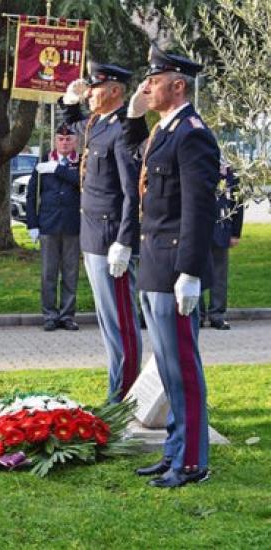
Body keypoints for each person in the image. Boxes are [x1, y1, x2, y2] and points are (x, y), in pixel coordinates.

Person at [127, 47, 217, 488]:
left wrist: (191, 272)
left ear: (177, 85)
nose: (147, 87)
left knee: (182, 366)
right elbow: (134, 169)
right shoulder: (164, 130)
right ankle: (174, 449)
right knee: (165, 367)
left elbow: (199, 209)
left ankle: (193, 460)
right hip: (154, 262)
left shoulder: (192, 134)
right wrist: (132, 116)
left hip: (174, 266)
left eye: (154, 80)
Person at [61, 63, 148, 402]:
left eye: (95, 89)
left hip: (111, 238)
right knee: (107, 321)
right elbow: (70, 125)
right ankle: (117, 388)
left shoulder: (123, 130)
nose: (89, 94)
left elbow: (133, 192)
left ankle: (123, 395)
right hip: (92, 235)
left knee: (121, 323)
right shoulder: (97, 124)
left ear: (114, 91)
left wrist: (125, 241)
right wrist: (69, 101)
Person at [26, 124, 82, 331]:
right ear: (55, 141)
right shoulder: (43, 163)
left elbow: (83, 183)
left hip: (72, 225)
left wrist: (59, 169)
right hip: (48, 225)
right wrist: (32, 224)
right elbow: (32, 195)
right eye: (60, 139)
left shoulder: (81, 162)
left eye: (68, 139)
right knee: (48, 273)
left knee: (70, 273)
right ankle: (49, 315)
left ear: (75, 141)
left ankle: (67, 315)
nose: (64, 142)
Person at [199, 162, 244, 330]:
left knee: (219, 273)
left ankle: (217, 314)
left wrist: (236, 233)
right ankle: (198, 314)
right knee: (196, 271)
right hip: (198, 229)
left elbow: (238, 202)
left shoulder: (230, 173)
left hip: (221, 228)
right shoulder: (195, 165)